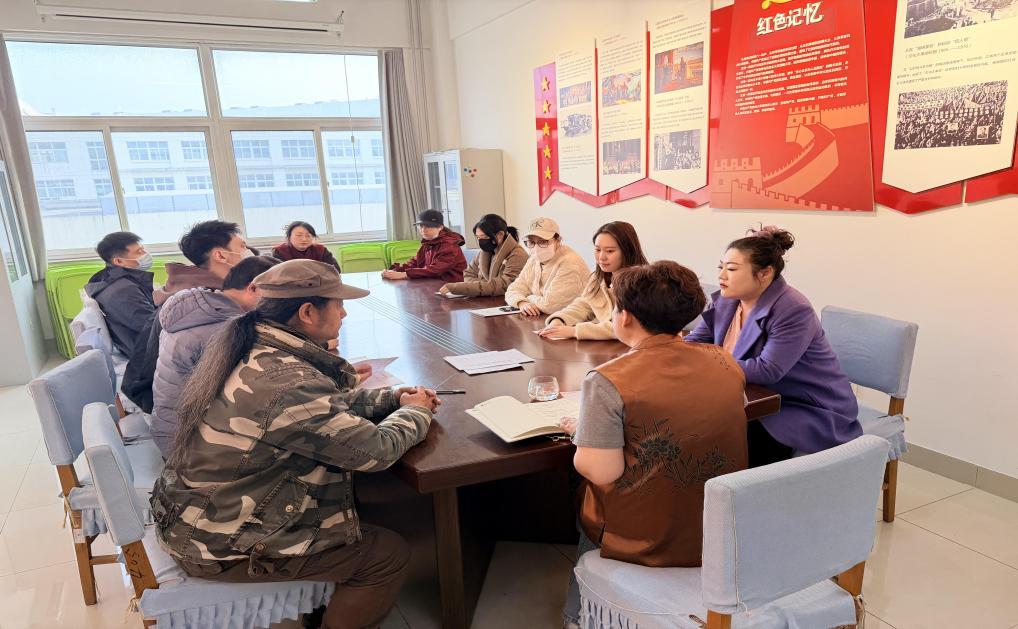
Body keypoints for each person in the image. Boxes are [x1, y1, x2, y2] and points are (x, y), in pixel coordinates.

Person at [150, 260, 441, 629]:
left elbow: (321, 409)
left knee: (360, 509)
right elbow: (376, 451)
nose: (344, 313)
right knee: (385, 556)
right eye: (338, 305)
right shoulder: (285, 380)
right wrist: (416, 411)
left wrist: (391, 398)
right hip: (218, 543)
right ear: (307, 312)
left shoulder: (254, 347)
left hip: (199, 516)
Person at [558, 261, 748, 628]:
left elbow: (602, 471)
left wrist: (582, 431)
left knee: (585, 492)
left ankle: (578, 615)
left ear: (625, 317)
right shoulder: (724, 361)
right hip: (719, 526)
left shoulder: (607, 380)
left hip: (644, 538)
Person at [684, 226, 862, 466]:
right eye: (720, 267)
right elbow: (695, 342)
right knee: (691, 427)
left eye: (732, 269)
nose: (722, 276)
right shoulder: (727, 300)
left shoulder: (793, 309)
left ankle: (749, 489)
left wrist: (706, 364)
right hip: (752, 395)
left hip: (802, 406)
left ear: (765, 273)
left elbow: (768, 369)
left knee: (728, 445)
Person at [150, 255, 279, 456]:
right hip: (188, 444)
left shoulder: (200, 309)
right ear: (253, 289)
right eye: (278, 295)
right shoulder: (223, 327)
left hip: (169, 426)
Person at [121, 220, 252, 412]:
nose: (249, 252)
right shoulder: (207, 303)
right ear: (221, 255)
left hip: (153, 393)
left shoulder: (187, 289)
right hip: (170, 406)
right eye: (243, 247)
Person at [538, 221, 648, 340]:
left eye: (610, 251)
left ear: (627, 251)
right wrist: (558, 320)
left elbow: (626, 327)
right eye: (598, 250)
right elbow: (584, 305)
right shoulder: (597, 278)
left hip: (633, 347)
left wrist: (574, 331)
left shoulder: (642, 283)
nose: (601, 257)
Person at [85, 231, 156, 356]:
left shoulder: (112, 279)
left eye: (143, 249)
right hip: (147, 351)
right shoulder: (123, 291)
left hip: (138, 343)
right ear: (118, 261)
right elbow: (153, 327)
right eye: (139, 252)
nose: (146, 254)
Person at [503, 217, 590, 316]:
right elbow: (513, 290)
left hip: (575, 320)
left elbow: (551, 306)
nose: (536, 248)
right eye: (531, 242)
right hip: (547, 318)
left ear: (558, 240)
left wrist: (529, 297)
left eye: (543, 241)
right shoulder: (534, 259)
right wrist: (522, 302)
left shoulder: (570, 263)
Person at [438, 214, 528, 297]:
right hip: (486, 299)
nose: (481, 241)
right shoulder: (484, 251)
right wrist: (484, 287)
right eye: (478, 237)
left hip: (506, 301)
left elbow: (504, 285)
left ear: (500, 235)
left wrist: (460, 287)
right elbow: (469, 273)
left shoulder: (517, 255)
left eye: (485, 237)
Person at [381, 210, 467, 282]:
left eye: (428, 226)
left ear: (440, 227)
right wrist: (393, 271)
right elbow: (414, 263)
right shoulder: (427, 243)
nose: (423, 230)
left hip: (452, 289)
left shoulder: (449, 245)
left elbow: (435, 270)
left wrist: (404, 274)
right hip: (433, 285)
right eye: (421, 226)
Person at [271, 221, 342, 272]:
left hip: (318, 283)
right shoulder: (279, 251)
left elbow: (335, 270)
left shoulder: (321, 250)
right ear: (289, 237)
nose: (304, 239)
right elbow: (277, 274)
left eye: (308, 236)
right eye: (299, 235)